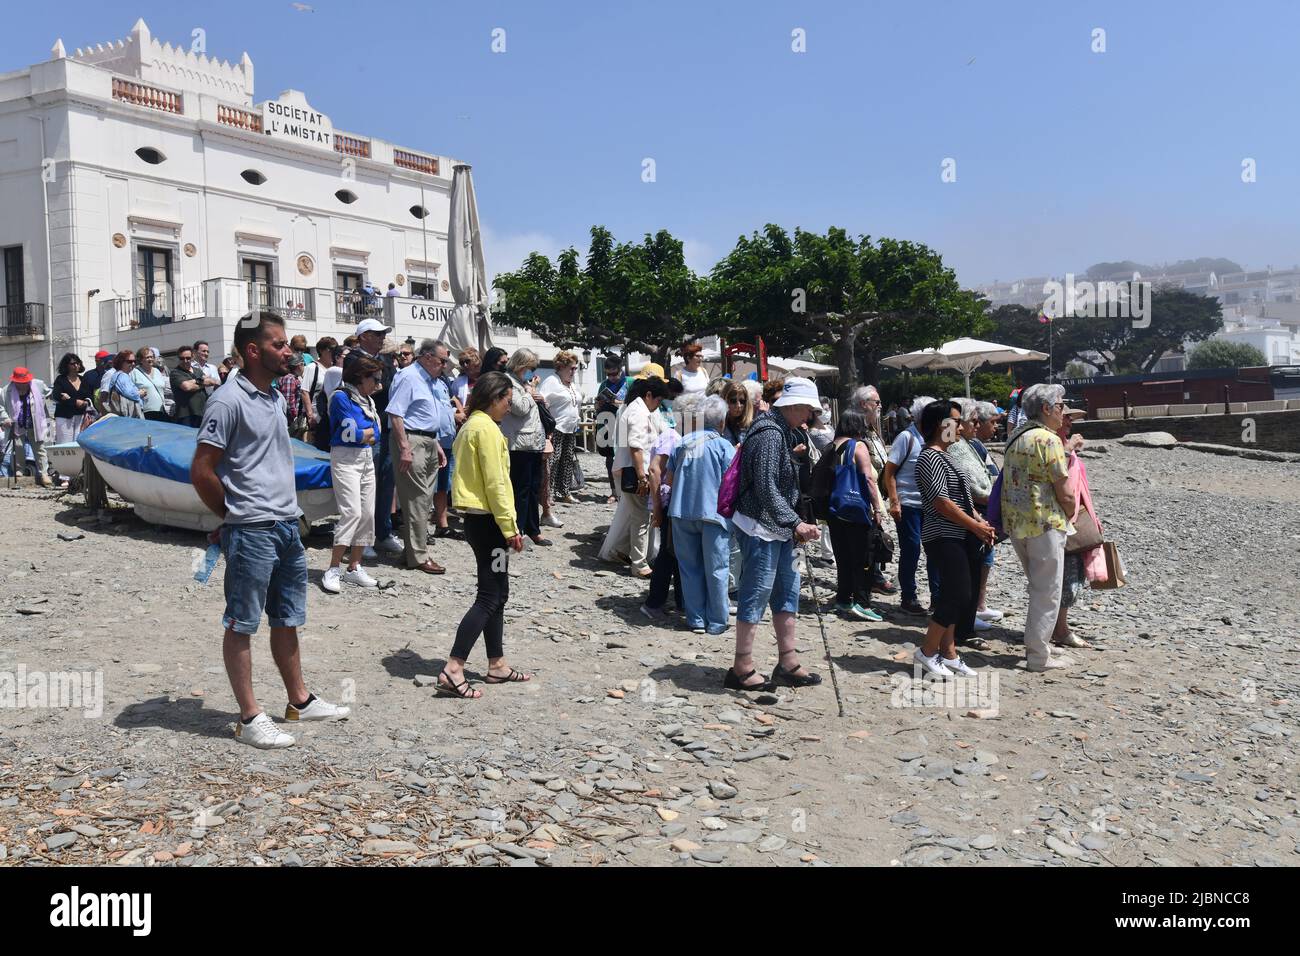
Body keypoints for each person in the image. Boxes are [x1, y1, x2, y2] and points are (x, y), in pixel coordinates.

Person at [190, 310, 350, 749]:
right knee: (242, 621)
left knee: (288, 616)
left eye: (287, 344)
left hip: (285, 523)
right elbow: (202, 469)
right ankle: (248, 717)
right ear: (253, 350)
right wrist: (232, 515)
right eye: (279, 345)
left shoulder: (275, 397)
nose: (289, 351)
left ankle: (298, 700)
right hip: (253, 527)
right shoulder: (227, 400)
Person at [726, 377, 825, 691]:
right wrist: (795, 523)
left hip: (778, 527)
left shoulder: (781, 429)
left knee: (787, 591)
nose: (810, 414)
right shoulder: (770, 433)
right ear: (793, 405)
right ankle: (742, 667)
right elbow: (766, 488)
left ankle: (788, 661)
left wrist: (791, 523)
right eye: (808, 407)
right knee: (756, 593)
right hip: (760, 527)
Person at [441, 371, 531, 699]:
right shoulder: (488, 430)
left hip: (477, 521)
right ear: (495, 398)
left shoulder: (470, 426)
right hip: (490, 522)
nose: (509, 407)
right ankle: (453, 667)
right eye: (507, 401)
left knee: (498, 592)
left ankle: (496, 663)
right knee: (489, 596)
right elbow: (496, 484)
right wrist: (511, 528)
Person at [913, 400, 997, 679]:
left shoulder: (946, 455)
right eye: (955, 421)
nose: (960, 426)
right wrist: (975, 525)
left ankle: (948, 653)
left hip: (957, 533)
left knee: (958, 593)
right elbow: (942, 503)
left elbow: (961, 498)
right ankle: (926, 651)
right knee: (958, 594)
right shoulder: (930, 457)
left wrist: (978, 520)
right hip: (942, 534)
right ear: (940, 425)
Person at [1001, 383, 1078, 673]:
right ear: (1046, 409)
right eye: (1060, 406)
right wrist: (1070, 513)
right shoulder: (1048, 440)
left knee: (1038, 587)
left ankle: (1037, 649)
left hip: (1018, 523)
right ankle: (1038, 656)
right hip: (1044, 522)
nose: (1063, 412)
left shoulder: (1015, 436)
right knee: (1047, 591)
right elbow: (1065, 490)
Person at [660, 394, 736, 634]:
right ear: (722, 421)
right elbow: (732, 482)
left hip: (681, 511)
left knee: (689, 568)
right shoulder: (724, 446)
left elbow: (669, 480)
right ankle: (717, 620)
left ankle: (696, 620)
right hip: (714, 514)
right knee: (717, 568)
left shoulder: (682, 442)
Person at [388, 339, 452, 574]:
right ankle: (419, 556)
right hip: (412, 440)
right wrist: (405, 447)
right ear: (426, 357)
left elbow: (426, 415)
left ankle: (411, 551)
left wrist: (435, 443)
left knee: (424, 499)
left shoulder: (430, 380)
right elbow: (396, 414)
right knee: (416, 499)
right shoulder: (409, 377)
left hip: (427, 440)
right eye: (442, 360)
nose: (444, 365)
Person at [820, 408, 888, 622]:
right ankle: (862, 602)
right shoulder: (857, 446)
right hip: (855, 509)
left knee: (843, 557)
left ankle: (843, 598)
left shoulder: (832, 446)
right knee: (863, 557)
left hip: (834, 508)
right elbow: (868, 478)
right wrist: (877, 508)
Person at [322, 355, 383, 593]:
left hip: (366, 458)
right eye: (375, 378)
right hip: (346, 458)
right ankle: (333, 567)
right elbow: (352, 433)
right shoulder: (340, 397)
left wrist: (364, 433)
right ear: (361, 377)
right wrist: (364, 433)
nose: (378, 384)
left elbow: (374, 433)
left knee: (367, 514)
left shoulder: (367, 400)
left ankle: (354, 566)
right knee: (352, 512)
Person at [344, 318, 403, 558]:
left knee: (386, 483)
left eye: (382, 334)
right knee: (367, 484)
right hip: (366, 427)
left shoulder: (384, 360)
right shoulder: (353, 359)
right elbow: (371, 388)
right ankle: (362, 538)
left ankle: (383, 532)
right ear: (364, 336)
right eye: (377, 334)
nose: (382, 338)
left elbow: (387, 387)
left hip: (385, 426)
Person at [599, 376, 669, 576]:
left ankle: (619, 550)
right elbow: (636, 447)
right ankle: (639, 564)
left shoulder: (636, 409)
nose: (658, 406)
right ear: (648, 395)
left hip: (631, 470)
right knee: (640, 518)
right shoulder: (638, 412)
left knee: (634, 515)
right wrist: (642, 477)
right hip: (636, 472)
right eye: (657, 401)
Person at [641, 389, 695, 622]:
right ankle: (654, 602)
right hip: (669, 503)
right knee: (668, 554)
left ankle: (681, 601)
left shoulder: (682, 438)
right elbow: (654, 470)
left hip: (674, 504)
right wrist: (658, 510)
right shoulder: (672, 437)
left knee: (675, 554)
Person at [884, 395, 938, 617]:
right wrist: (895, 502)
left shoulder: (936, 438)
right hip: (909, 503)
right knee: (911, 550)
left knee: (935, 551)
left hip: (932, 505)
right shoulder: (906, 437)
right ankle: (909, 596)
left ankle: (938, 597)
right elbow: (889, 471)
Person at [1053, 406, 1095, 650]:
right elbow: (1057, 477)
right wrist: (1069, 451)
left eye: (1070, 418)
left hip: (1071, 515)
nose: (1069, 421)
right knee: (1066, 575)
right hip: (1063, 518)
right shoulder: (1054, 446)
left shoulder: (1062, 444)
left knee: (1072, 573)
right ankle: (1060, 629)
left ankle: (1059, 626)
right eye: (1065, 416)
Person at [499, 349, 550, 547]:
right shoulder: (508, 382)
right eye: (531, 367)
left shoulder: (523, 383)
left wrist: (532, 393)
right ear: (522, 365)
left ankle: (533, 529)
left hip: (532, 443)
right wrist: (530, 393)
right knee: (520, 489)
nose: (532, 371)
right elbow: (519, 408)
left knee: (532, 489)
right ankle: (517, 530)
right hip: (519, 444)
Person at [541, 350, 584, 506]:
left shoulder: (571, 384)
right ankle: (548, 492)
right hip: (557, 427)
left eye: (575, 368)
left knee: (567, 460)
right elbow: (543, 402)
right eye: (571, 368)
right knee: (553, 460)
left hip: (571, 428)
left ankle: (564, 491)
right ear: (561, 367)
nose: (574, 371)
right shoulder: (552, 381)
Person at [3, 368, 52, 485]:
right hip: (16, 421)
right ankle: (19, 470)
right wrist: (5, 418)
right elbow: (1, 406)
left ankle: (44, 473)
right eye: (19, 382)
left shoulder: (38, 385)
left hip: (35, 420)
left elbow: (49, 393)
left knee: (39, 446)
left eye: (24, 382)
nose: (21, 384)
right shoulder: (6, 390)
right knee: (18, 446)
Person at [594, 355, 628, 503]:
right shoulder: (604, 385)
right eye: (608, 374)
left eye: (614, 373)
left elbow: (635, 405)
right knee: (610, 460)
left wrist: (617, 403)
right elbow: (597, 408)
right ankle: (614, 491)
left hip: (626, 425)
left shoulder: (630, 383)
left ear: (621, 369)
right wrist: (598, 404)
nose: (611, 377)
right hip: (607, 424)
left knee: (626, 458)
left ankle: (627, 490)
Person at [52, 353, 93, 444]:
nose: (76, 365)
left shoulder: (83, 380)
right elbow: (57, 395)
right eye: (73, 364)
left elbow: (89, 396)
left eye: (78, 363)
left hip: (81, 417)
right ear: (66, 365)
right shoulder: (60, 380)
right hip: (64, 417)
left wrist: (85, 401)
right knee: (65, 444)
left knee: (79, 444)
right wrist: (75, 401)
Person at [278, 353, 317, 441]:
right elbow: (289, 401)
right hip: (292, 421)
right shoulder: (290, 379)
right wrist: (295, 418)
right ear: (300, 365)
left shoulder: (293, 378)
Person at [170, 346, 207, 427]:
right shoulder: (175, 372)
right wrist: (201, 382)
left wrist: (194, 383)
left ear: (192, 357)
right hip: (185, 415)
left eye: (188, 358)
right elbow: (187, 387)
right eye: (182, 358)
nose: (185, 361)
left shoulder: (198, 371)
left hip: (202, 413)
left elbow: (210, 381)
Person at [100, 351, 145, 418]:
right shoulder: (122, 376)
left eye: (134, 361)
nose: (133, 364)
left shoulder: (121, 375)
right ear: (121, 362)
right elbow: (129, 393)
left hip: (125, 416)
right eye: (129, 361)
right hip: (127, 416)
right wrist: (140, 393)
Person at [722, 380, 754, 446]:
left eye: (742, 401)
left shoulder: (750, 425)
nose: (738, 405)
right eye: (733, 401)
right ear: (724, 400)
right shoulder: (717, 424)